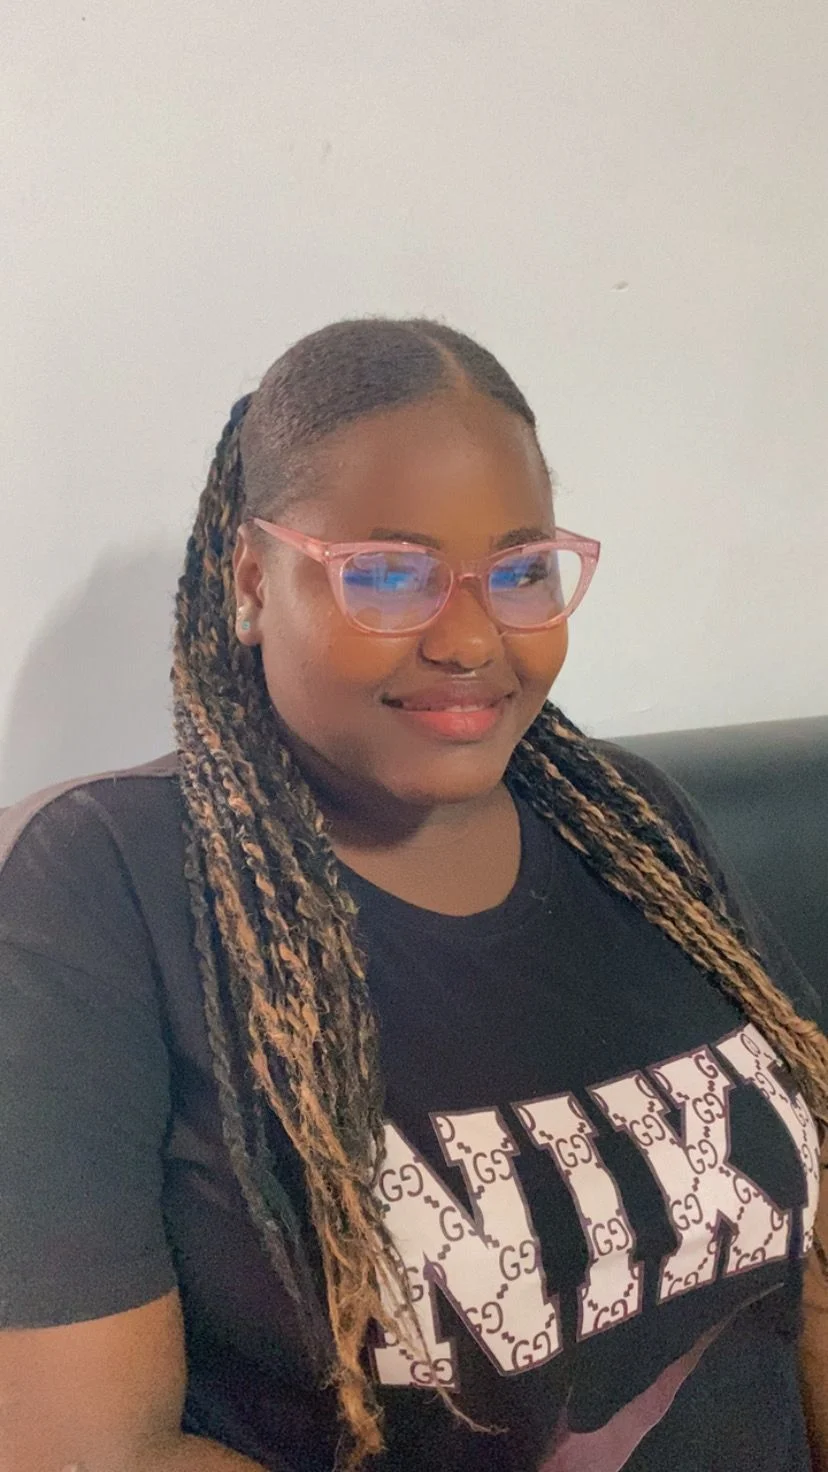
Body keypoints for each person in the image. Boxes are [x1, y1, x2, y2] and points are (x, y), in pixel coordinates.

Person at [1, 318, 827, 1472]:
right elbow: (89, 1447)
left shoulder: (631, 820)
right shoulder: (101, 885)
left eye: (521, 570)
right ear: (253, 582)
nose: (472, 637)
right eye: (388, 572)